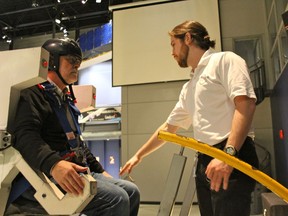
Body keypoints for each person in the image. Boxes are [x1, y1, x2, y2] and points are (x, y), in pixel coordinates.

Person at [120, 20, 259, 216]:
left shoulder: (225, 60)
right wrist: (139, 155)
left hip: (231, 153)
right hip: (205, 160)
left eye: (173, 44)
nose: (172, 52)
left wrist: (228, 156)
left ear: (187, 38)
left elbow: (246, 104)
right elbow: (169, 129)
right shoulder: (190, 85)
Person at [9, 38, 140, 216]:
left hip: (74, 170)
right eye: (71, 60)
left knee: (131, 191)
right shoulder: (33, 93)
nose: (77, 65)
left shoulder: (64, 100)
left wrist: (100, 171)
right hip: (46, 175)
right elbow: (25, 136)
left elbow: (77, 144)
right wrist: (53, 164)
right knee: (116, 198)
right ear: (52, 62)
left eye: (78, 61)